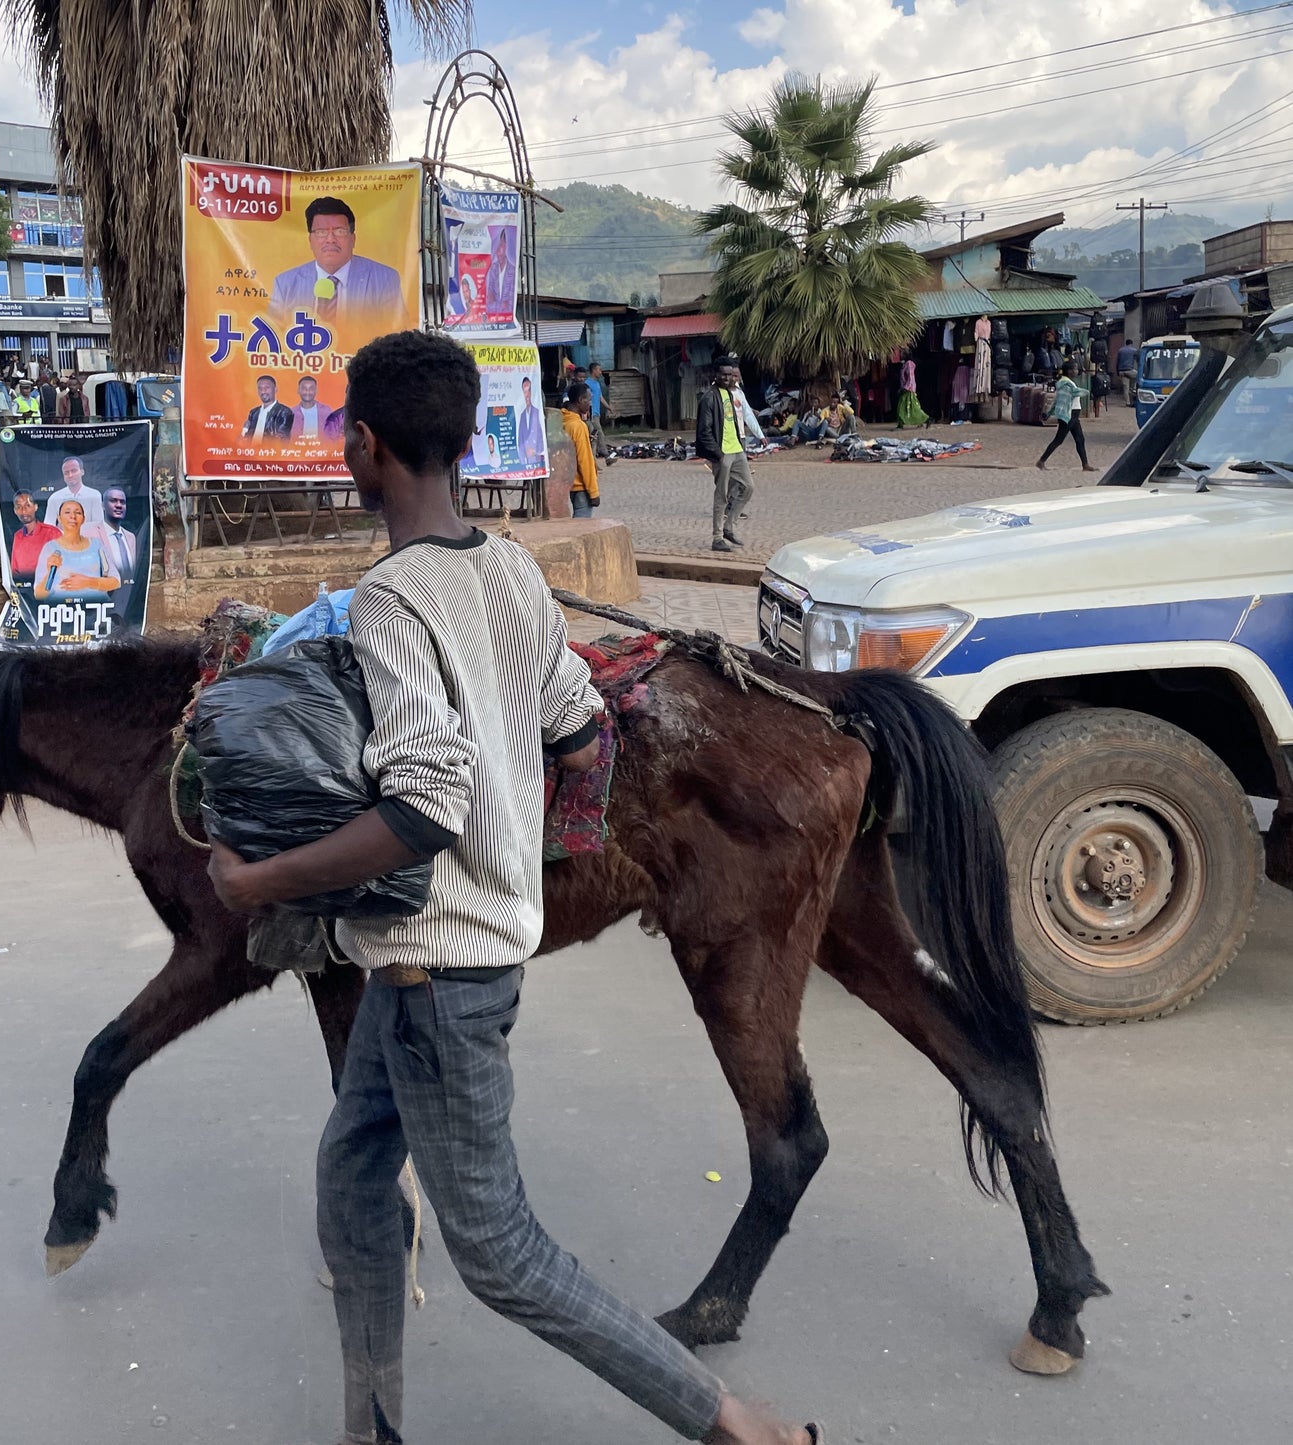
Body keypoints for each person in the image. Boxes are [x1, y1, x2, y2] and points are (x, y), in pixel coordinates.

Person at [204, 328, 818, 1445]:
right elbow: (580, 732)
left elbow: (422, 805)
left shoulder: (390, 599)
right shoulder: (510, 571)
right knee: (351, 1181)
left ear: (365, 445)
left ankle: (727, 1420)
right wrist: (509, 791)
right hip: (427, 965)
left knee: (497, 1251)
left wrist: (264, 878)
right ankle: (372, 1428)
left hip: (443, 971)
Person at [270, 196, 404, 336]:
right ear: (310, 240)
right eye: (321, 232)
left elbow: (396, 338)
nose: (330, 240)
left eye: (339, 231)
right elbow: (273, 338)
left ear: (353, 239)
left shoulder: (384, 279)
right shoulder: (285, 283)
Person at [695, 356, 753, 552]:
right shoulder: (709, 397)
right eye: (724, 375)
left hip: (737, 449)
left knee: (748, 487)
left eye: (730, 375)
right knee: (722, 495)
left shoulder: (730, 394)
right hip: (722, 453)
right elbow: (704, 430)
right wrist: (718, 455)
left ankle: (729, 526)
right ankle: (717, 537)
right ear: (716, 375)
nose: (728, 378)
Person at [33, 498, 118, 602]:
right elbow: (39, 594)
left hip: (97, 610)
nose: (72, 516)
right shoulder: (50, 548)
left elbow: (116, 581)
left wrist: (88, 582)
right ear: (59, 518)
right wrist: (49, 572)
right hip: (62, 612)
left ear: (83, 519)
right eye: (67, 512)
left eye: (77, 513)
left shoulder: (97, 545)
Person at [1036, 363, 1096, 474]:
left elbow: (1056, 402)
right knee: (1059, 439)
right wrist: (1088, 391)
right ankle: (1041, 461)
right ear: (1069, 371)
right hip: (1069, 415)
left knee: (1080, 439)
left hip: (1073, 415)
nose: (1076, 371)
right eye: (1074, 369)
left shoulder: (1067, 383)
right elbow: (1076, 392)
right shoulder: (1066, 384)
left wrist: (1049, 413)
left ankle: (1085, 464)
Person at [562, 380, 600, 517]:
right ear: (580, 400)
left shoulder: (562, 421)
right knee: (581, 525)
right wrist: (594, 492)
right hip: (581, 485)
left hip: (566, 482)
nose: (590, 404)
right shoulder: (578, 426)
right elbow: (585, 461)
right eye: (588, 400)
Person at [7, 491, 60, 580]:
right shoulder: (18, 536)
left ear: (35, 507)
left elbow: (63, 566)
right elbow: (15, 569)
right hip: (24, 587)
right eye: (19, 507)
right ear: (15, 511)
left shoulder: (52, 533)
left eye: (28, 506)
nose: (23, 511)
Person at [44, 456, 105, 529]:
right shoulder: (54, 498)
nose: (70, 475)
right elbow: (48, 527)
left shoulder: (94, 495)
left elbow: (99, 526)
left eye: (74, 471)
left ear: (82, 471)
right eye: (66, 473)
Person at [97, 486, 138, 585]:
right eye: (113, 501)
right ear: (103, 505)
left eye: (122, 502)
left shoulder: (131, 537)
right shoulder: (90, 533)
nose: (119, 505)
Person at [290, 374, 346, 443]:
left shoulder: (326, 411)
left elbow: (333, 436)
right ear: (298, 390)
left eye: (311, 388)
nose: (308, 392)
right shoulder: (291, 413)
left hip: (322, 452)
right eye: (304, 388)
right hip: (297, 452)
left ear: (316, 390)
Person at [242, 375, 294, 442]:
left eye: (267, 387)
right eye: (260, 388)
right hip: (251, 451)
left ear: (275, 389)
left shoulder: (285, 412)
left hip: (270, 451)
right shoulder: (253, 412)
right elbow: (247, 437)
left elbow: (280, 440)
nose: (263, 391)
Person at [585, 361, 615, 461]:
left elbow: (600, 397)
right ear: (594, 370)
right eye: (599, 370)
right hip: (592, 414)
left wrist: (609, 407)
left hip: (596, 413)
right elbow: (587, 399)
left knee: (594, 437)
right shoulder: (587, 383)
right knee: (600, 434)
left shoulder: (597, 384)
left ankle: (594, 461)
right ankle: (606, 456)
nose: (600, 372)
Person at [516, 375, 546, 473]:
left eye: (529, 390)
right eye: (525, 391)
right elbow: (520, 441)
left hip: (538, 461)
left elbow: (543, 437)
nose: (527, 394)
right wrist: (523, 462)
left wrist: (536, 451)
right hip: (527, 464)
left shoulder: (538, 413)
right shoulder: (522, 415)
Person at [485, 226, 515, 315]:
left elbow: (510, 305)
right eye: (497, 245)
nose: (498, 249)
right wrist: (501, 305)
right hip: (492, 319)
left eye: (501, 245)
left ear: (507, 247)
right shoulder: (493, 269)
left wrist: (495, 304)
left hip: (507, 321)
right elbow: (488, 302)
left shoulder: (512, 271)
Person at [1116, 339, 1139, 406]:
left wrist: (1118, 371)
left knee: (1125, 387)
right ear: (1131, 344)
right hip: (1130, 370)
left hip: (1122, 371)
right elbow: (1138, 360)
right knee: (1138, 375)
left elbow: (1117, 362)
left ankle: (1127, 402)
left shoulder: (1120, 350)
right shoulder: (1134, 350)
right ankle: (1134, 390)